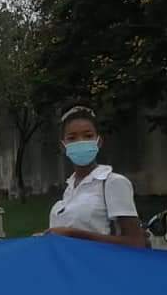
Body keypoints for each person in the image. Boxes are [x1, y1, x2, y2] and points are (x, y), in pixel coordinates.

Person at [47, 106, 143, 248]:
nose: (80, 141)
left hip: (100, 266)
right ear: (63, 146)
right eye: (72, 138)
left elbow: (136, 243)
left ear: (98, 141)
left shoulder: (113, 182)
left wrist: (74, 234)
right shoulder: (69, 189)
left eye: (88, 136)